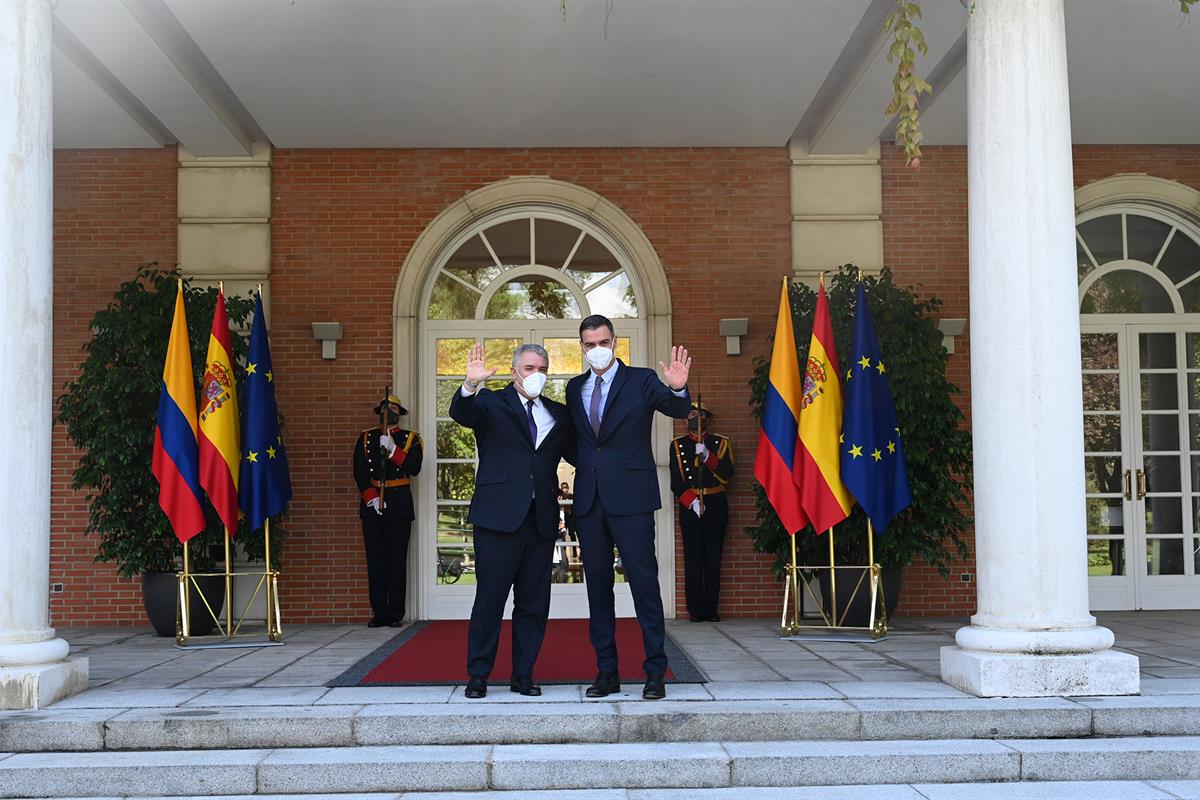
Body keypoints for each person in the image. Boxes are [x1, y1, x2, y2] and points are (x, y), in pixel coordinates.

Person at [566, 314, 691, 701]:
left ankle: (655, 671)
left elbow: (676, 410)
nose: (596, 350)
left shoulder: (641, 380)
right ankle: (607, 672)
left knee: (643, 584)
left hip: (633, 500)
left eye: (602, 342)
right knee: (598, 589)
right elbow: (580, 441)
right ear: (582, 347)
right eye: (589, 344)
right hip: (590, 502)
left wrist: (679, 389)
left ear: (615, 342)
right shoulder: (575, 388)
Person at [448, 342, 575, 699]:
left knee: (533, 604)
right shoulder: (490, 403)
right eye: (530, 368)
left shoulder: (558, 414)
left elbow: (582, 453)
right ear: (514, 370)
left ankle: (524, 675)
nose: (537, 375)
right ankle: (478, 675)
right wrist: (471, 385)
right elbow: (461, 412)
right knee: (490, 599)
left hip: (541, 520)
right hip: (497, 519)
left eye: (542, 368)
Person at [352, 394, 423, 628]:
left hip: (399, 504)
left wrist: (393, 451)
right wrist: (371, 498)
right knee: (376, 560)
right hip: (373, 505)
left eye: (393, 407)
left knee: (396, 561)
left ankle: (395, 613)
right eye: (385, 407)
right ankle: (379, 611)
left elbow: (414, 467)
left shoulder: (410, 439)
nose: (388, 411)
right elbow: (360, 471)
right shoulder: (365, 438)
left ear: (399, 413)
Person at [670, 402, 734, 622]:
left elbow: (727, 475)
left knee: (713, 561)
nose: (695, 418)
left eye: (699, 414)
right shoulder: (677, 446)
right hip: (691, 510)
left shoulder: (720, 443)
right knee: (693, 561)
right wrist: (692, 502)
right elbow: (676, 483)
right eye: (691, 414)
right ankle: (695, 611)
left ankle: (711, 609)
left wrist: (708, 456)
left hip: (715, 507)